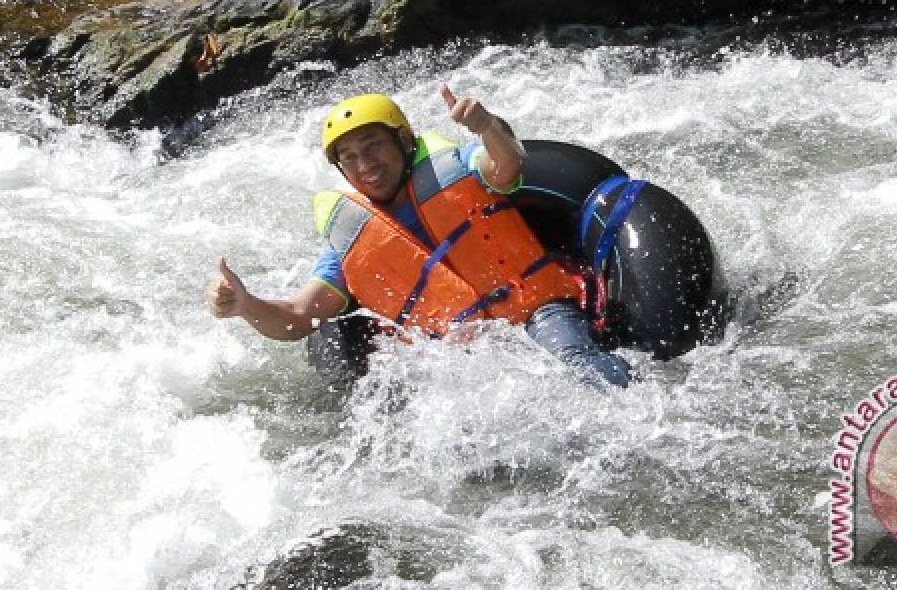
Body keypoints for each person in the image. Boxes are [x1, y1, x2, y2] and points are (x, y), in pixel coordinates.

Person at [207, 86, 630, 387]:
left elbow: (508, 166)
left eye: (372, 146)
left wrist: (486, 127)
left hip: (535, 310)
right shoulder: (352, 236)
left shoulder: (457, 169)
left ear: (404, 141)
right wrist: (246, 305)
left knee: (577, 366)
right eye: (349, 158)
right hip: (461, 353)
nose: (364, 164)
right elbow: (300, 316)